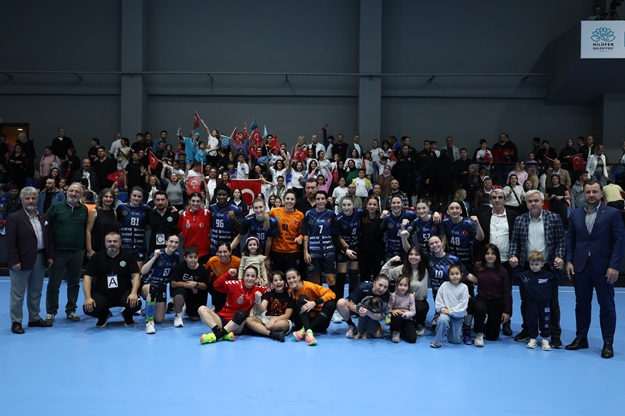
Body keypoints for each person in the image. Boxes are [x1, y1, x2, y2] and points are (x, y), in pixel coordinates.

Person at [565, 180, 625, 359]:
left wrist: (614, 266)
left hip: (604, 267)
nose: (591, 195)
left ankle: (608, 343)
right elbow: (570, 239)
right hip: (581, 266)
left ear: (601, 194)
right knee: (581, 305)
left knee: (607, 306)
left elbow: (620, 241)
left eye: (595, 192)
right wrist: (568, 261)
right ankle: (581, 338)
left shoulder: (613, 213)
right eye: (588, 192)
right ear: (583, 194)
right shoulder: (575, 214)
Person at [509, 189, 565, 349]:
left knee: (552, 303)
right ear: (526, 203)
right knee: (527, 302)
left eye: (536, 201)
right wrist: (513, 256)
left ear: (542, 202)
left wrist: (559, 257)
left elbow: (561, 241)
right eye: (530, 201)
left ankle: (555, 335)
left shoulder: (553, 218)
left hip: (548, 266)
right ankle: (528, 330)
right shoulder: (520, 220)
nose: (533, 203)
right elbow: (514, 241)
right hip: (526, 267)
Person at [6, 186, 55, 334]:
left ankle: (34, 318)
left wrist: (50, 256)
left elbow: (48, 239)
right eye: (27, 198)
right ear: (22, 200)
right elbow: (10, 243)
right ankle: (16, 322)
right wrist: (14, 261)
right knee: (18, 294)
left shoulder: (43, 217)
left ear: (37, 200)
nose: (30, 201)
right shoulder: (14, 218)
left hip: (40, 258)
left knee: (36, 291)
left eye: (33, 198)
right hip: (20, 261)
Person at [45, 182, 88, 324]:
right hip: (58, 252)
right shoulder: (56, 207)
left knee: (74, 283)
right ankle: (51, 312)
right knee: (54, 283)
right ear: (66, 192)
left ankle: (71, 310)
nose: (73, 194)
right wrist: (49, 250)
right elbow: (46, 227)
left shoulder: (84, 209)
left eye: (77, 192)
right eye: (71, 191)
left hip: (77, 252)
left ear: (81, 195)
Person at [82, 232, 141, 327]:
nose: (112, 243)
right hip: (102, 294)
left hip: (123, 293)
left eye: (115, 241)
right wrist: (88, 298)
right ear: (105, 243)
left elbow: (136, 275)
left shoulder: (128, 256)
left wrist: (134, 293)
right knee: (88, 308)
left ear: (120, 243)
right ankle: (104, 315)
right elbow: (87, 277)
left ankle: (127, 314)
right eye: (109, 241)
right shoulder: (96, 257)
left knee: (136, 303)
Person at [198, 266, 267, 344]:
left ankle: (218, 335)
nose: (250, 278)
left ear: (256, 278)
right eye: (247, 275)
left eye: (253, 276)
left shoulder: (258, 289)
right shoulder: (234, 284)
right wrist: (228, 274)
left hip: (238, 325)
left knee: (242, 313)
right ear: (243, 276)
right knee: (201, 309)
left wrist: (263, 280)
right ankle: (220, 333)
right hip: (222, 319)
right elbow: (216, 285)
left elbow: (272, 289)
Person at [381, 246, 429, 337]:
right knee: (397, 317)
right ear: (407, 256)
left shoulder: (424, 271)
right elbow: (383, 275)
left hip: (416, 302)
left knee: (421, 307)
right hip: (401, 303)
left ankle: (418, 324)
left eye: (416, 254)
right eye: (411, 254)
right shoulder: (400, 269)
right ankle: (397, 327)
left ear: (421, 257)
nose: (413, 257)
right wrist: (390, 262)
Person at [471, 244, 512, 347]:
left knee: (492, 337)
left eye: (493, 253)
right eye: (487, 253)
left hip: (497, 301)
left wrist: (507, 311)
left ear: (497, 255)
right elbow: (471, 278)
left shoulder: (503, 271)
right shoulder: (478, 266)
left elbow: (507, 292)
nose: (490, 256)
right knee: (479, 308)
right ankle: (478, 333)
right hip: (482, 298)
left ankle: (486, 322)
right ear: (484, 255)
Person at [139, 235, 180, 334]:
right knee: (152, 289)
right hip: (147, 285)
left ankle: (147, 309)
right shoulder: (158, 253)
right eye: (171, 241)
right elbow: (143, 271)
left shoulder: (176, 256)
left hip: (161, 288)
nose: (173, 244)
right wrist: (154, 257)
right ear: (166, 242)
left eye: (176, 242)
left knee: (159, 320)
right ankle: (149, 322)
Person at [518, 251, 558, 351]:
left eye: (537, 264)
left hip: (544, 304)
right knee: (531, 320)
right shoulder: (524, 276)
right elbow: (514, 275)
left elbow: (560, 277)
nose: (534, 266)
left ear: (542, 264)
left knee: (545, 320)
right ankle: (533, 338)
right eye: (531, 264)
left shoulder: (549, 275)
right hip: (531, 304)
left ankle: (545, 339)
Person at [286, 268, 337, 346]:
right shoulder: (290, 290)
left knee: (331, 303)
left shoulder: (310, 286)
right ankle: (309, 333)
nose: (291, 280)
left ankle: (304, 330)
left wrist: (314, 303)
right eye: (289, 279)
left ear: (299, 277)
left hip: (319, 321)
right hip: (302, 321)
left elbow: (332, 294)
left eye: (293, 277)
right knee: (302, 298)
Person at [245, 270, 295, 342]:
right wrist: (257, 301)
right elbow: (262, 309)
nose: (278, 282)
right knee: (248, 320)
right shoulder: (268, 292)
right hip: (267, 318)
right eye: (275, 280)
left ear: (284, 281)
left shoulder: (289, 294)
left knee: (283, 324)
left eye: (281, 280)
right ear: (272, 283)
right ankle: (271, 333)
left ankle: (258, 329)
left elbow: (287, 315)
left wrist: (274, 320)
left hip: (282, 319)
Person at [302, 190, 337, 291]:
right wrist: (305, 252)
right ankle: (318, 300)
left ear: (326, 201)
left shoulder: (331, 214)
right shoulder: (309, 214)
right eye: (318, 199)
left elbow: (335, 234)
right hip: (314, 251)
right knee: (315, 280)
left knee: (331, 280)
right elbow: (306, 234)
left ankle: (331, 300)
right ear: (315, 200)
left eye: (323, 199)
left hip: (328, 251)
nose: (320, 201)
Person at [169, 245, 210, 327]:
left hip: (196, 294)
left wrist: (196, 284)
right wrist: (190, 286)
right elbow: (173, 283)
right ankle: (178, 315)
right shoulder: (180, 267)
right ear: (185, 258)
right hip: (182, 290)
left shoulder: (203, 269)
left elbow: (206, 286)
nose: (193, 259)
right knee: (179, 294)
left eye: (195, 257)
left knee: (195, 318)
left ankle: (186, 308)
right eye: (190, 257)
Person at [430, 265, 469, 348]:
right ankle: (437, 341)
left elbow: (463, 305)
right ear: (448, 275)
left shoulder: (464, 287)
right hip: (445, 313)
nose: (454, 276)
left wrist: (451, 311)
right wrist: (442, 309)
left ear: (461, 275)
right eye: (452, 274)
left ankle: (455, 332)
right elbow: (439, 300)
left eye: (457, 274)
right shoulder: (444, 285)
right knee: (442, 320)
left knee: (455, 341)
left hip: (457, 315)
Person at [269, 190, 304, 272]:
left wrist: (300, 237)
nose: (289, 201)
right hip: (277, 250)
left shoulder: (300, 215)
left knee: (292, 276)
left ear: (295, 201)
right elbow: (265, 219)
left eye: (292, 199)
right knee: (277, 276)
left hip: (293, 251)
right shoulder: (275, 212)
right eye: (287, 198)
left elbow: (302, 232)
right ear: (284, 200)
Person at [116, 186, 151, 268]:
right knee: (122, 270)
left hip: (139, 246)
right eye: (134, 195)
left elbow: (151, 222)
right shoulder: (121, 207)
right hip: (124, 245)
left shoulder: (146, 209)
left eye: (139, 196)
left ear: (142, 198)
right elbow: (116, 223)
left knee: (137, 272)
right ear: (130, 195)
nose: (136, 198)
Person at [204, 242, 241, 313]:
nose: (222, 254)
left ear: (230, 252)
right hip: (218, 287)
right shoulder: (212, 261)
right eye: (220, 252)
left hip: (233, 288)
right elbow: (204, 272)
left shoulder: (238, 262)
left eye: (225, 252)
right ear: (217, 253)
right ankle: (215, 305)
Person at [177, 192, 211, 265]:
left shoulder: (207, 214)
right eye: (193, 201)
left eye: (198, 201)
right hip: (188, 252)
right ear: (189, 201)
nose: (195, 203)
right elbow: (179, 229)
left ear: (201, 202)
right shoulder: (183, 215)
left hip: (203, 252)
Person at [358, 196, 385, 282]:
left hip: (378, 253)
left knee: (378, 278)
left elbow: (375, 232)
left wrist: (380, 219)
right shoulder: (361, 218)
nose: (372, 206)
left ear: (378, 206)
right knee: (364, 278)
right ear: (366, 206)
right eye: (370, 204)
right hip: (364, 253)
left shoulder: (382, 219)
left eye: (374, 204)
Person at [85, 188, 118, 259]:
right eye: (106, 196)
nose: (108, 199)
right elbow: (88, 231)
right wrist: (89, 249)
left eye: (111, 197)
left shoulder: (114, 213)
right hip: (96, 248)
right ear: (101, 198)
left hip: (110, 249)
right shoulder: (94, 212)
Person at [386, 275, 417, 343]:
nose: (403, 287)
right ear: (396, 285)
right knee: (397, 317)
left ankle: (401, 329)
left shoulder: (411, 296)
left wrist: (406, 314)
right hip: (396, 317)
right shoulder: (393, 296)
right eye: (400, 285)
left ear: (408, 286)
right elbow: (388, 308)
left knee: (412, 339)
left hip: (406, 318)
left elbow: (413, 311)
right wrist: (393, 311)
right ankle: (395, 331)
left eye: (405, 285)